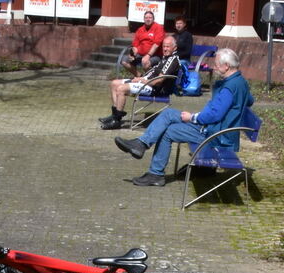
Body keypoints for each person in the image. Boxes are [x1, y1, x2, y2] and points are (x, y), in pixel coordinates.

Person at [113, 48, 254, 187]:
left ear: (226, 66)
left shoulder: (229, 87)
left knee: (168, 131)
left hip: (215, 135)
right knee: (168, 114)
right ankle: (141, 145)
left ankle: (155, 172)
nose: (214, 67)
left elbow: (214, 115)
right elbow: (249, 100)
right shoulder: (240, 82)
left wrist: (192, 117)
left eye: (216, 64)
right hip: (217, 130)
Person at [99, 35, 181, 130]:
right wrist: (140, 78)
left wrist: (141, 80)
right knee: (114, 83)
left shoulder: (172, 60)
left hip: (153, 89)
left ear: (174, 48)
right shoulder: (166, 57)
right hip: (146, 81)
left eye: (168, 46)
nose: (165, 49)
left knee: (121, 89)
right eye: (164, 46)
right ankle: (114, 115)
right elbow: (153, 72)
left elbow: (158, 81)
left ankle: (116, 121)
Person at [123, 11, 165, 76]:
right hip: (140, 54)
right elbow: (135, 46)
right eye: (146, 18)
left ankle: (150, 80)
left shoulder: (158, 28)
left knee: (145, 61)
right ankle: (140, 76)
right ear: (144, 19)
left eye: (150, 17)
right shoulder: (140, 30)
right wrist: (133, 54)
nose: (148, 19)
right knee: (124, 61)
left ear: (153, 19)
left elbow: (156, 45)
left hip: (155, 55)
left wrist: (148, 55)